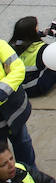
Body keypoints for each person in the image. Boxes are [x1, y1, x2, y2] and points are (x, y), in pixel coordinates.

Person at [0, 36, 32, 170]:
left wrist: (2, 90)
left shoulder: (1, 46)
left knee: (23, 144)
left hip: (14, 112)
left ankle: (30, 174)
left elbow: (18, 69)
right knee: (2, 158)